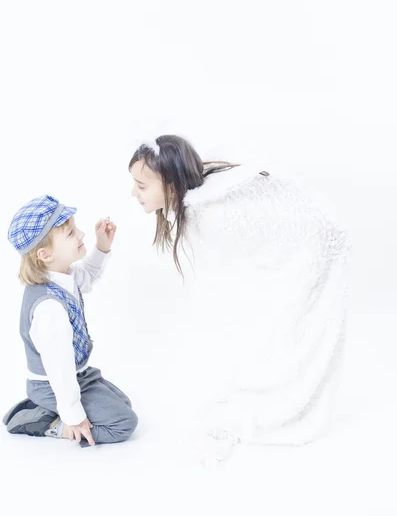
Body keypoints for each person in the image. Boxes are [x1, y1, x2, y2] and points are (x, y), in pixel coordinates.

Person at [128, 134, 349, 460]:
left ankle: (284, 391)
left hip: (317, 240)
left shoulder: (207, 214)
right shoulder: (196, 202)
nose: (133, 192)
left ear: (172, 187)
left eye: (141, 186)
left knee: (288, 325)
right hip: (299, 232)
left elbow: (236, 281)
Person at [3, 195, 138, 446]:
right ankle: (50, 424)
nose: (81, 234)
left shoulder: (61, 275)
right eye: (70, 233)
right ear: (45, 254)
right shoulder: (48, 308)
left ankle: (47, 408)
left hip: (80, 375)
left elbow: (85, 277)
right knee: (123, 423)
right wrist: (73, 417)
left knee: (124, 404)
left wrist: (102, 247)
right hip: (54, 383)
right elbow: (60, 369)